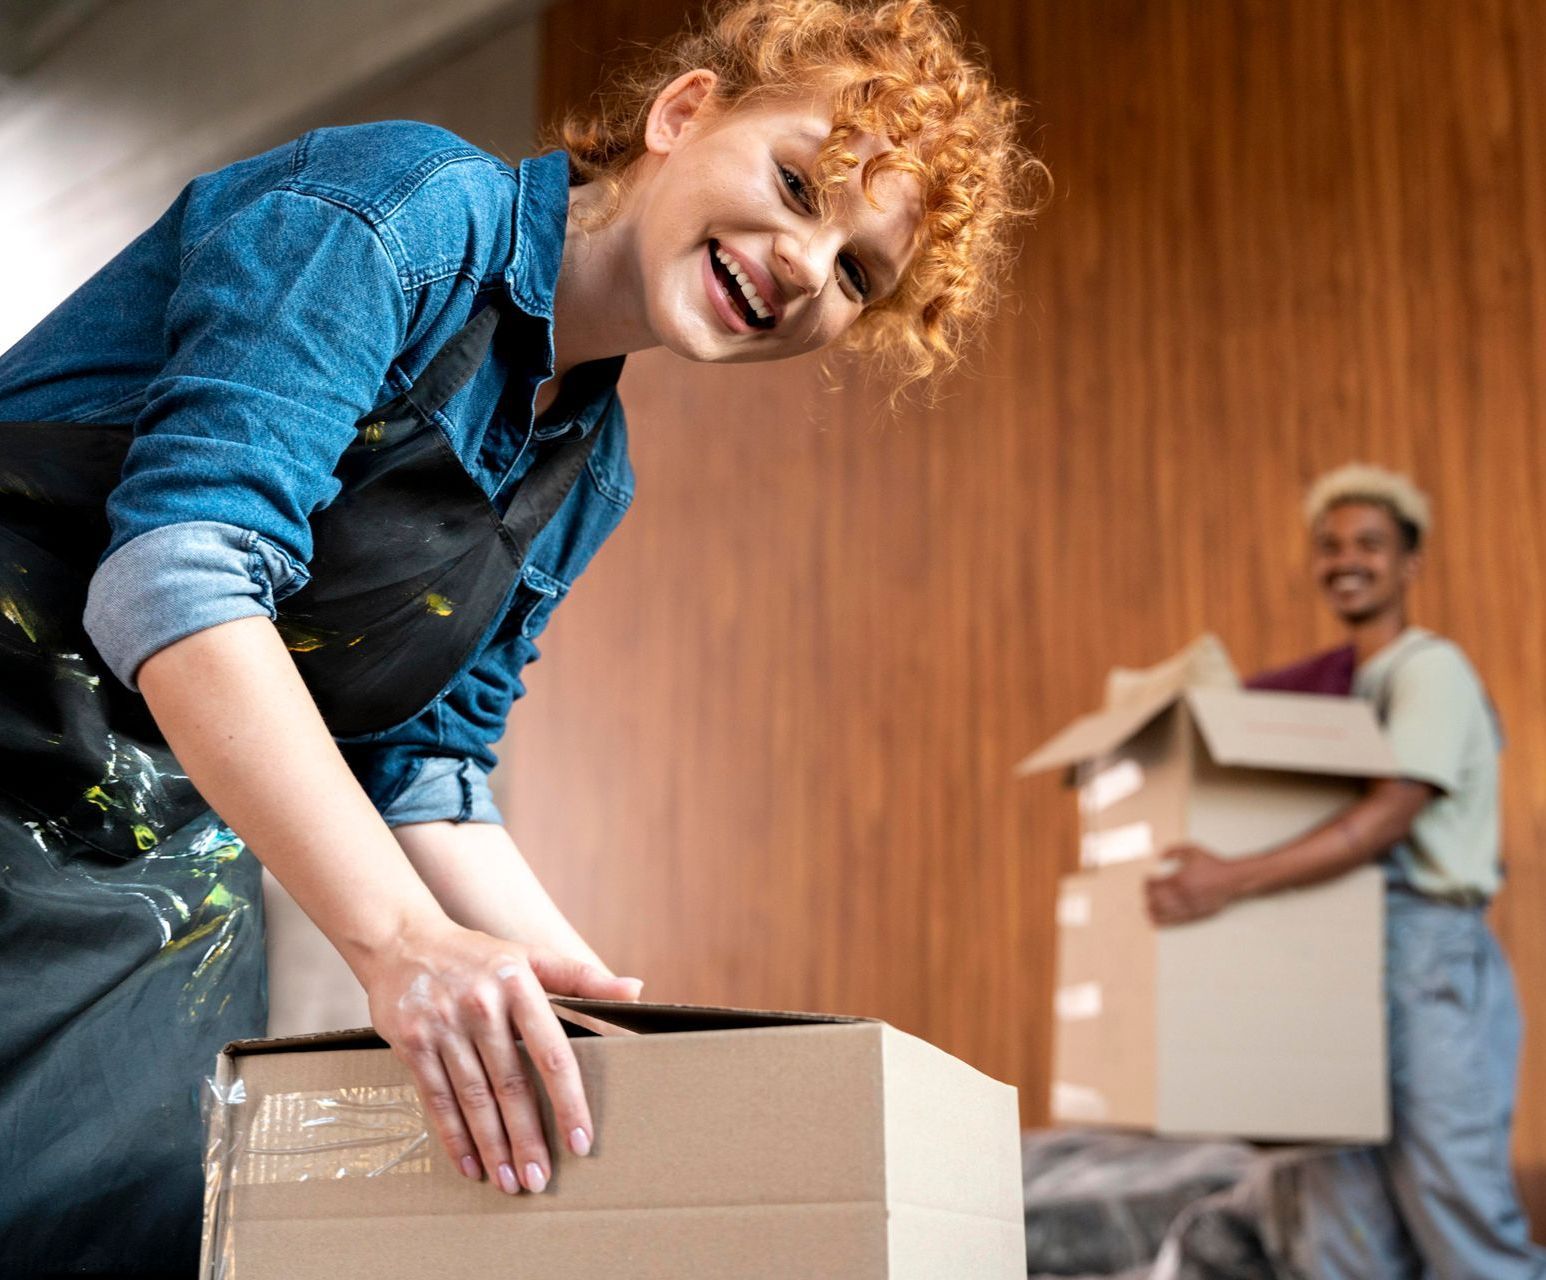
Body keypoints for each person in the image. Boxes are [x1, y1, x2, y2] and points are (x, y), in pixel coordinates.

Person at [0, 1, 1045, 1272]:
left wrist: (593, 1009)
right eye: (795, 184)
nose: (800, 263)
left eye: (855, 275)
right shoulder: (399, 210)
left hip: (154, 870)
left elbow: (425, 767)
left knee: (116, 1227)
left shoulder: (586, 474)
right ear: (681, 113)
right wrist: (402, 944)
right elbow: (174, 571)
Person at [1145, 463, 1546, 1278]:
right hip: (1340, 958)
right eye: (1329, 547)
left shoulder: (1427, 670)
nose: (1345, 560)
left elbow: (1388, 815)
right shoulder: (1338, 688)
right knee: (1341, 1227)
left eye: (1368, 543)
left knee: (1455, 1221)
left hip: (1426, 960)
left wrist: (1226, 880)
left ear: (1409, 563)